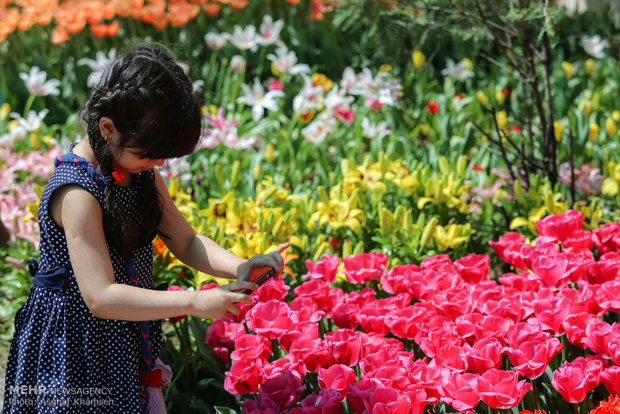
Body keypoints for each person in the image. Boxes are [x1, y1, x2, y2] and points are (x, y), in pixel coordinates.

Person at [2, 43, 287, 413]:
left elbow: (185, 240)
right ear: (107, 128)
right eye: (150, 154)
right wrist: (194, 301)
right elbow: (100, 296)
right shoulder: (77, 192)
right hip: (74, 344)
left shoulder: (138, 173)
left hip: (121, 329)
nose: (160, 164)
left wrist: (239, 266)